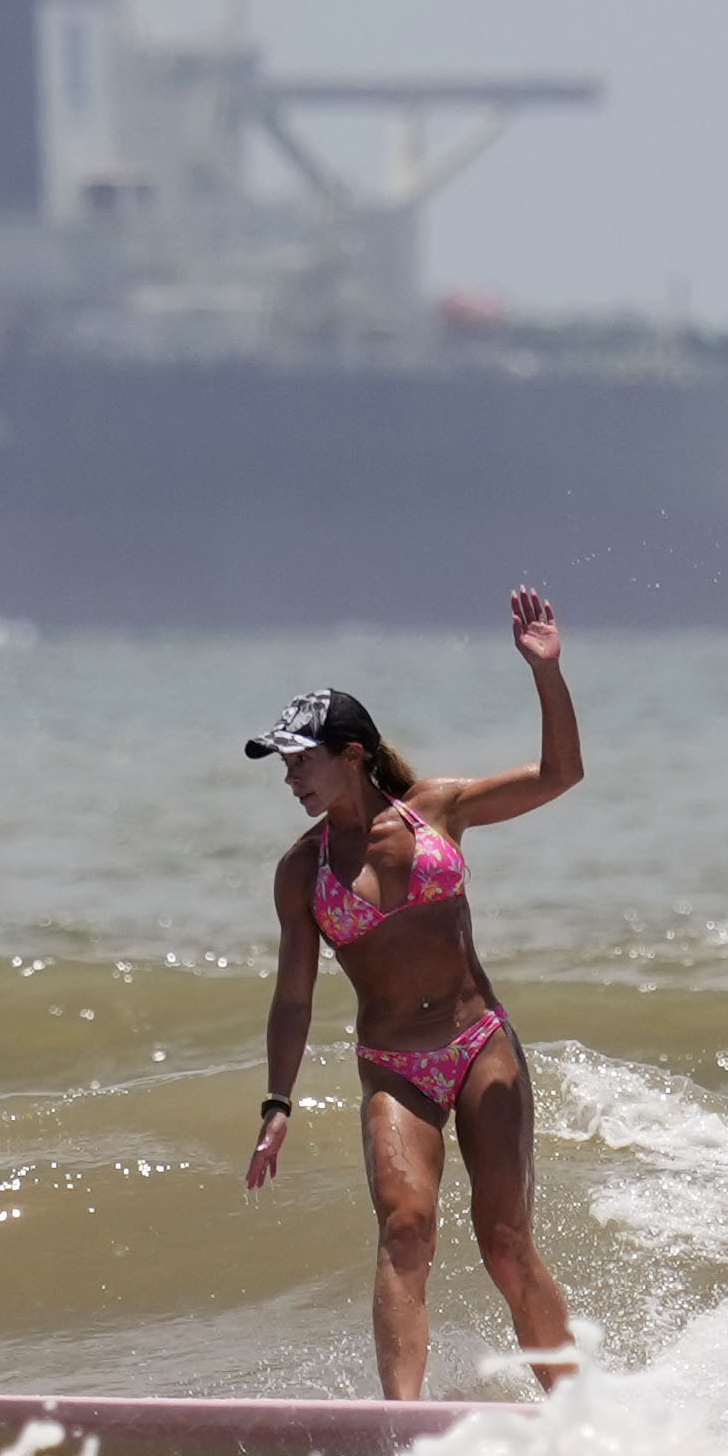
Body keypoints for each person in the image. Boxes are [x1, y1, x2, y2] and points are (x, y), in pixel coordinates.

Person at [244, 588, 584, 1397]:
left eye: (303, 759)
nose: (292, 776)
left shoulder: (439, 810)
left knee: (504, 1241)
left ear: (353, 753)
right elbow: (294, 997)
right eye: (285, 763)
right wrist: (275, 1102)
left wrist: (546, 673)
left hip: (478, 1046)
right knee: (405, 1229)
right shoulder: (303, 870)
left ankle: (575, 1407)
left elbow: (561, 774)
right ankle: (398, 1427)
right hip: (394, 1065)